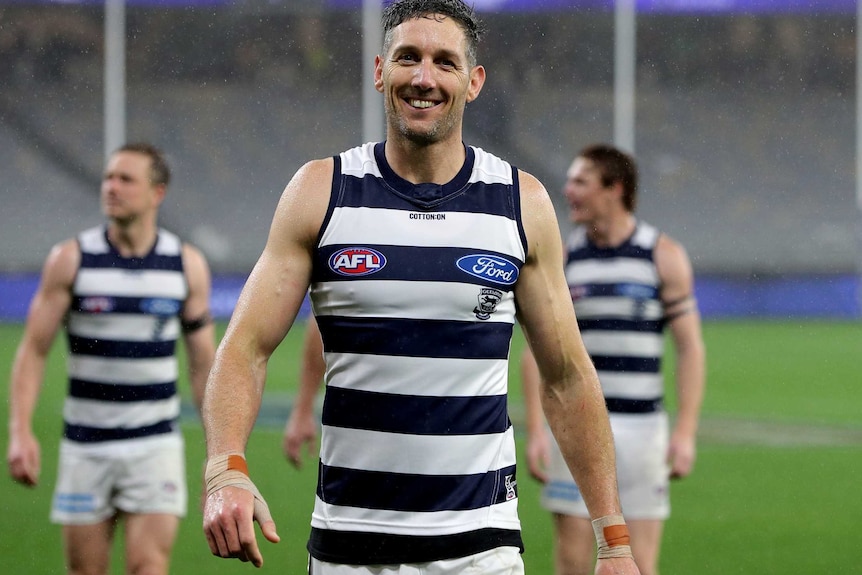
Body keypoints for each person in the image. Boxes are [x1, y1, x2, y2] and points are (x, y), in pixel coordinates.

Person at [200, 2, 640, 574]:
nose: (424, 78)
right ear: (381, 71)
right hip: (350, 551)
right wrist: (224, 471)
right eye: (408, 58)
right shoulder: (320, 191)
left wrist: (614, 541)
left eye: (445, 62)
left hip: (481, 553)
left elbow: (566, 377)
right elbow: (244, 347)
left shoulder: (520, 202)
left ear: (473, 82)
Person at [6, 142, 217, 575]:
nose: (111, 187)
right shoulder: (70, 260)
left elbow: (203, 367)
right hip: (86, 447)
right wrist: (20, 431)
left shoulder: (186, 265)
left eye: (126, 179)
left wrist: (219, 452)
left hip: (154, 444)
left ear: (157, 193)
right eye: (108, 178)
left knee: (149, 567)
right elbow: (33, 350)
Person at [520, 144, 706, 575]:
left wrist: (686, 431)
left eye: (580, 181)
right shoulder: (562, 258)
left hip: (642, 430)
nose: (567, 190)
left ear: (614, 189)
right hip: (579, 424)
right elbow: (537, 350)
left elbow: (691, 348)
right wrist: (537, 430)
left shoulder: (662, 255)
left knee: (638, 561)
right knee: (572, 559)